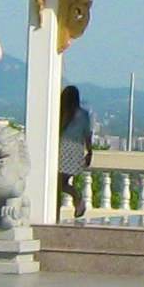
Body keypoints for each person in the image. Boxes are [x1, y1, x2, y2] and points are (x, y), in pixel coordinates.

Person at [57, 84, 94, 222]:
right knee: (61, 182)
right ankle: (77, 201)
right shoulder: (83, 114)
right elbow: (87, 134)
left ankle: (77, 200)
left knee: (59, 183)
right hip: (75, 151)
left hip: (61, 150)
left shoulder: (61, 113)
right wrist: (90, 151)